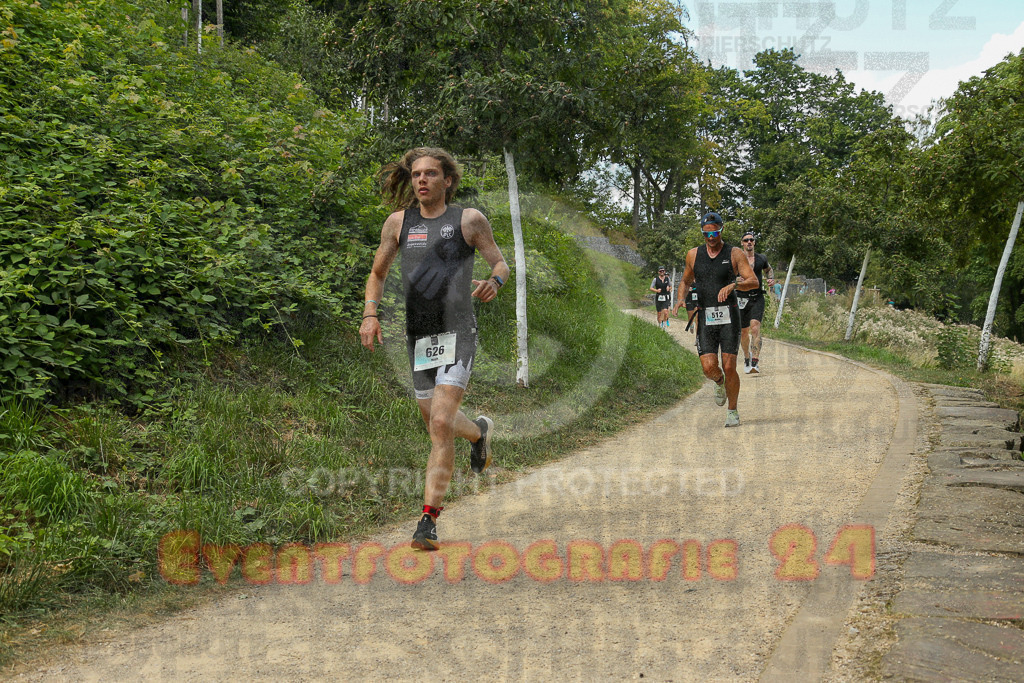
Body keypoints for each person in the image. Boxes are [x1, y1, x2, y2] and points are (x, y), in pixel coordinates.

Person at [360, 147, 510, 551]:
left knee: (441, 423)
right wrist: (370, 314)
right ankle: (478, 433)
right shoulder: (398, 223)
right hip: (420, 338)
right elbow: (377, 274)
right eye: (416, 175)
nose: (421, 180)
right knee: (436, 421)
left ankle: (427, 521)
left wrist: (494, 282)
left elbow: (500, 264)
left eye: (430, 173)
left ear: (448, 180)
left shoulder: (468, 220)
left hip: (458, 331)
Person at [672, 212, 758, 427]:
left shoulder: (735, 253)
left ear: (721, 230)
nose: (711, 237)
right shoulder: (693, 255)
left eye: (715, 233)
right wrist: (680, 298)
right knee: (708, 368)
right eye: (706, 234)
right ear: (702, 232)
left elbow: (753, 281)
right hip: (705, 317)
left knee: (729, 366)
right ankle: (719, 382)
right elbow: (685, 281)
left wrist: (734, 285)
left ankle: (732, 411)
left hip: (729, 316)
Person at [736, 231, 774, 375]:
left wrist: (771, 279)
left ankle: (755, 362)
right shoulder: (737, 259)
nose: (749, 242)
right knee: (743, 332)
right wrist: (735, 280)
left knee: (755, 327)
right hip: (741, 298)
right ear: (742, 243)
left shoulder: (761, 258)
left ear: (754, 242)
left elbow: (768, 270)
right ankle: (747, 357)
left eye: (751, 240)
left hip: (757, 297)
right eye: (746, 240)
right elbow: (727, 275)